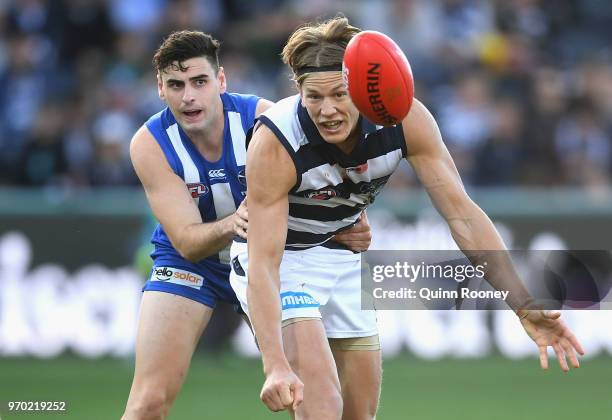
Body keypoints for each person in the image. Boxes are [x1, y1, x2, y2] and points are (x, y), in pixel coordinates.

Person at [229, 17, 585, 420]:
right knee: (322, 409)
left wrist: (522, 304)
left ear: (360, 89)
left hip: (343, 259)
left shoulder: (403, 119)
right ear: (298, 91)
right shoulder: (277, 141)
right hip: (284, 263)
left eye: (338, 95)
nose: (326, 110)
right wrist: (275, 364)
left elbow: (463, 216)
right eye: (313, 97)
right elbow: (263, 261)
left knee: (359, 414)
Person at [122, 30, 372, 420]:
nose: (189, 96)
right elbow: (188, 242)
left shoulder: (264, 119)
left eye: (199, 82)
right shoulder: (149, 142)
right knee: (148, 402)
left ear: (221, 81)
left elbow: (329, 176)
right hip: (192, 265)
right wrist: (233, 224)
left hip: (270, 261)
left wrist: (354, 221)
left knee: (310, 398)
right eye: (176, 85)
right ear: (160, 89)